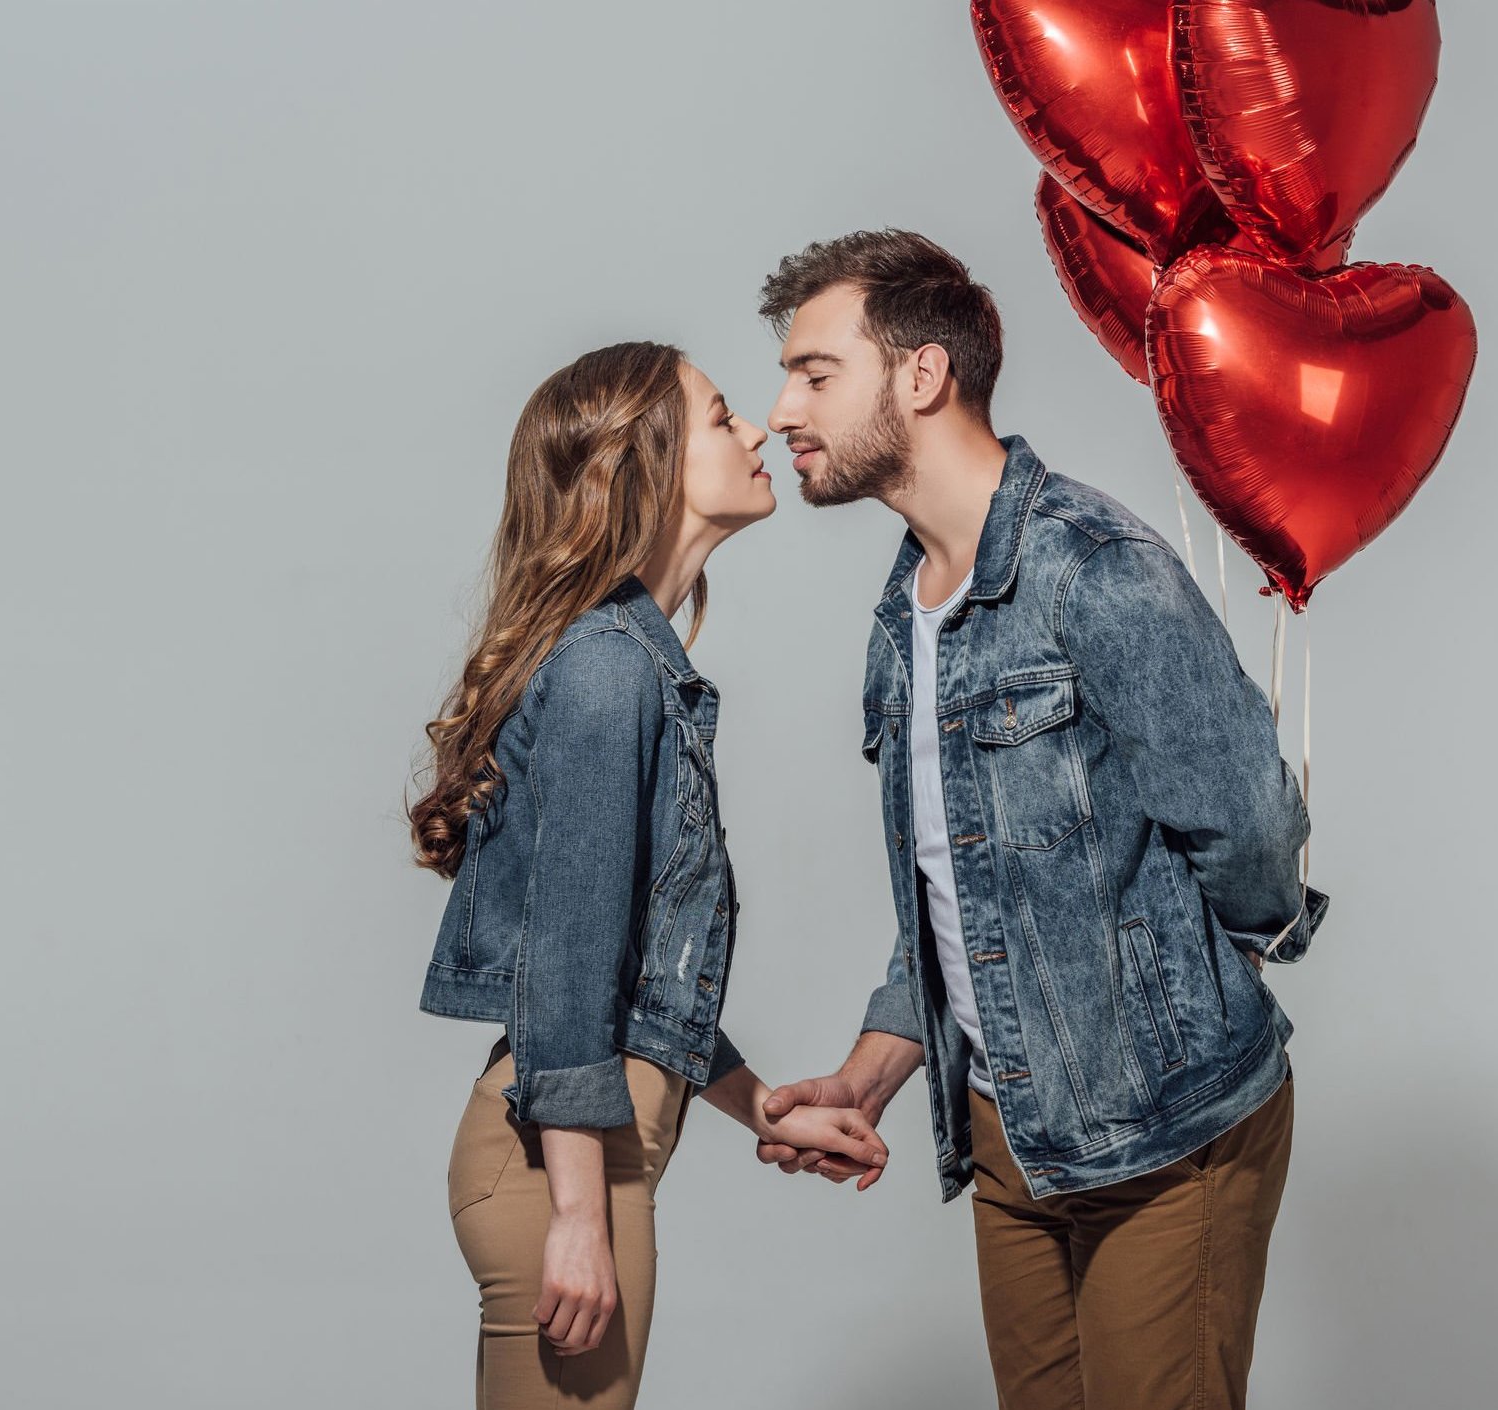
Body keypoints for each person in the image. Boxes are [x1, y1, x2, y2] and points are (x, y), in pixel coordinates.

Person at [750, 232, 1331, 1409]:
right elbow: (960, 886)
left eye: (814, 373)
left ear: (919, 376)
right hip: (1011, 1138)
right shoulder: (905, 606)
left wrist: (1157, 999)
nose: (778, 411)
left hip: (1167, 1136)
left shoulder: (1092, 569)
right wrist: (871, 1071)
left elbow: (1254, 832)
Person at [409, 341, 890, 1410]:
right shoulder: (605, 671)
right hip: (558, 1169)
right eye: (722, 418)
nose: (758, 428)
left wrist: (761, 1105)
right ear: (650, 466)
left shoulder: (625, 661)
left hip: (574, 1157)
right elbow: (569, 968)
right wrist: (579, 1216)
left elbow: (631, 979)